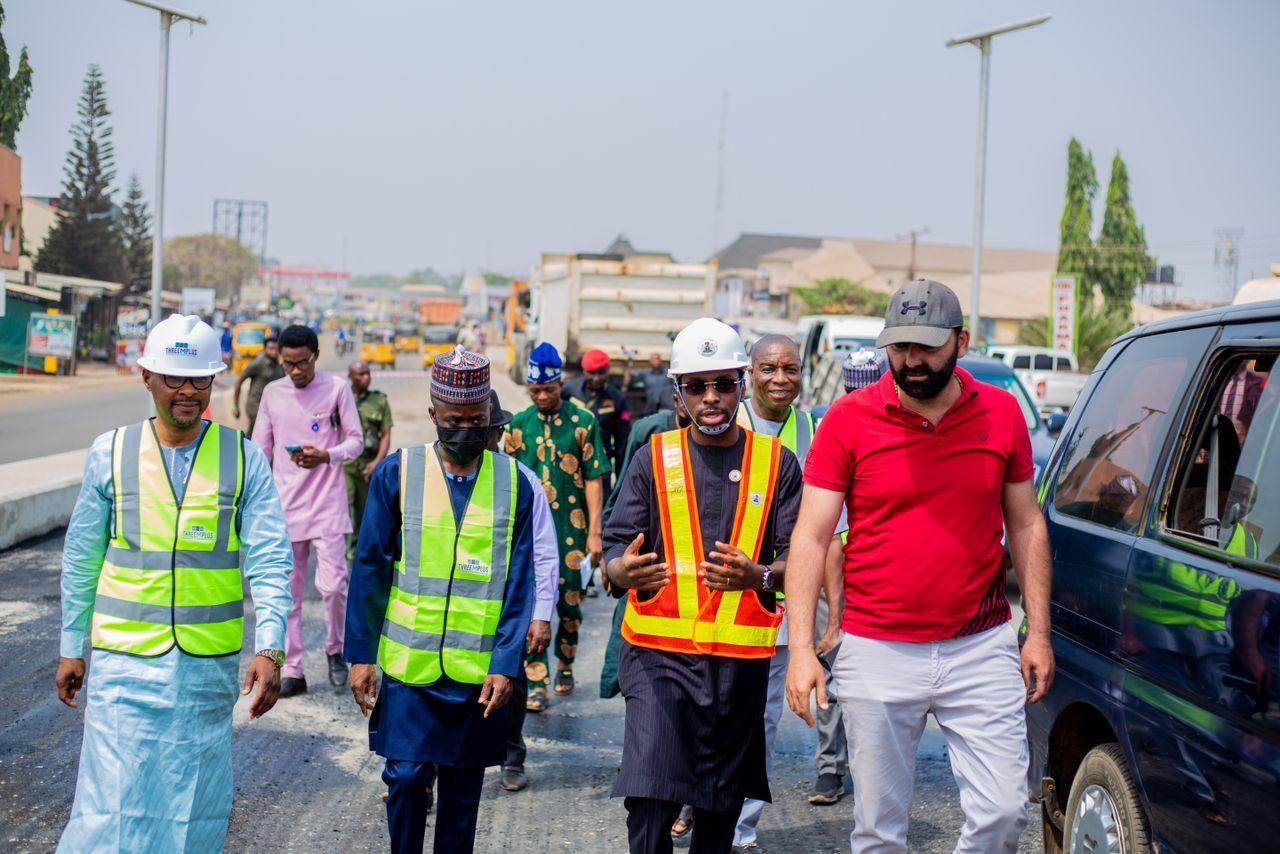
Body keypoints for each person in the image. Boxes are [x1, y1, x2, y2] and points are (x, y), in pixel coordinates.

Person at [785, 279, 1055, 853]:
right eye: (899, 346)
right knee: (879, 832)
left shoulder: (1002, 414)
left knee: (1005, 813)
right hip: (877, 649)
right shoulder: (848, 420)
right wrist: (803, 649)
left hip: (980, 646)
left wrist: (1038, 634)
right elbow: (810, 538)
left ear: (961, 341)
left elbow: (1027, 524)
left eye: (926, 347)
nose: (910, 361)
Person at [55, 313, 292, 852]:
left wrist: (271, 648)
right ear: (147, 378)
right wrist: (72, 648)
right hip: (124, 666)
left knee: (195, 804)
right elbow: (82, 557)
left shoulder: (244, 458)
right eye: (174, 379)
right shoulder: (110, 453)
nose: (188, 392)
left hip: (204, 668)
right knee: (110, 804)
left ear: (215, 381)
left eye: (200, 380)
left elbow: (272, 559)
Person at [604, 317, 802, 854]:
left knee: (718, 814)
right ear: (679, 392)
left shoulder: (777, 463)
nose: (711, 398)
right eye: (697, 386)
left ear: (743, 384)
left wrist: (757, 576)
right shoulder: (653, 457)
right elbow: (615, 549)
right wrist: (622, 571)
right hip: (657, 662)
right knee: (649, 801)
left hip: (737, 670)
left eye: (722, 384)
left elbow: (798, 561)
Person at [344, 347, 536, 854]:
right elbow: (370, 569)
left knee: (462, 794)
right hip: (411, 670)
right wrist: (360, 655)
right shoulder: (397, 474)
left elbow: (520, 584)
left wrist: (506, 663)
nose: (465, 430)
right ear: (433, 413)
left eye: (477, 421)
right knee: (405, 780)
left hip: (477, 677)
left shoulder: (515, 486)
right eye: (454, 420)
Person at [729, 334, 846, 850]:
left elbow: (830, 533)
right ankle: (697, 801)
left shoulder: (813, 431)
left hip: (779, 603)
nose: (781, 379)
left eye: (791, 369)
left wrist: (832, 615)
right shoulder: (726, 426)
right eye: (769, 368)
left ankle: (740, 827)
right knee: (707, 712)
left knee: (761, 720)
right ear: (749, 373)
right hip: (722, 597)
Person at [253, 324, 364, 695]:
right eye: (288, 364)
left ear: (315, 355)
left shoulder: (336, 389)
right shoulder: (272, 393)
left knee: (333, 587)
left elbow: (356, 442)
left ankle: (336, 649)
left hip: (328, 505)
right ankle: (294, 669)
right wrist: (256, 503)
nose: (295, 371)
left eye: (301, 363)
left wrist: (326, 455)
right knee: (289, 593)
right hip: (285, 508)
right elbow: (259, 452)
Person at [806, 347, 890, 810]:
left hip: (882, 583)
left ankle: (869, 766)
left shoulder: (900, 431)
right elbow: (825, 536)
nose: (860, 399)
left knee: (875, 685)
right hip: (833, 581)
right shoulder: (828, 431)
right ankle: (828, 768)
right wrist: (833, 613)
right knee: (830, 675)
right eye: (852, 390)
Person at [504, 342, 610, 705]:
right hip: (528, 532)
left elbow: (595, 478)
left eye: (548, 389)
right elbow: (506, 479)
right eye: (535, 391)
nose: (542, 396)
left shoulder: (584, 423)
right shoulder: (518, 426)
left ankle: (564, 662)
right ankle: (536, 679)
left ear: (561, 384)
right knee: (531, 601)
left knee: (568, 602)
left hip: (572, 530)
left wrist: (596, 533)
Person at [484, 390, 558, 794]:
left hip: (509, 605)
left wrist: (541, 613)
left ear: (499, 433)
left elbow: (544, 550)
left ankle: (512, 754)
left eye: (488, 431)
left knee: (511, 682)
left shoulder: (521, 481)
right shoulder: (436, 479)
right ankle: (427, 773)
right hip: (453, 611)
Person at [564, 348, 632, 496]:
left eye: (601, 373)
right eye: (592, 373)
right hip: (570, 461)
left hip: (600, 467)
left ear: (607, 371)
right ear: (584, 371)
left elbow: (622, 443)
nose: (596, 378)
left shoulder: (617, 399)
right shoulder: (569, 390)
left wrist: (620, 482)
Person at [346, 360, 394, 563]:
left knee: (365, 510)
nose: (366, 377)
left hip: (368, 463)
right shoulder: (341, 397)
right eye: (360, 374)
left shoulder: (379, 401)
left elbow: (385, 434)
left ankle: (359, 550)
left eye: (368, 373)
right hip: (345, 464)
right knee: (345, 508)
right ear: (351, 377)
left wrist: (377, 462)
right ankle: (344, 550)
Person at [232, 335, 285, 438]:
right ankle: (244, 449)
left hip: (272, 407)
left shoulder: (279, 367)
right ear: (265, 349)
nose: (274, 352)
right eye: (271, 349)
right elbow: (238, 382)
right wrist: (236, 406)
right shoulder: (257, 364)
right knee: (258, 431)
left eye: (276, 349)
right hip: (256, 405)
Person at [631, 351, 676, 415]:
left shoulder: (668, 372)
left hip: (666, 407)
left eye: (657, 359)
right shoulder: (645, 374)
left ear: (661, 361)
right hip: (650, 407)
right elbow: (633, 381)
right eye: (653, 359)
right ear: (650, 361)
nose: (656, 361)